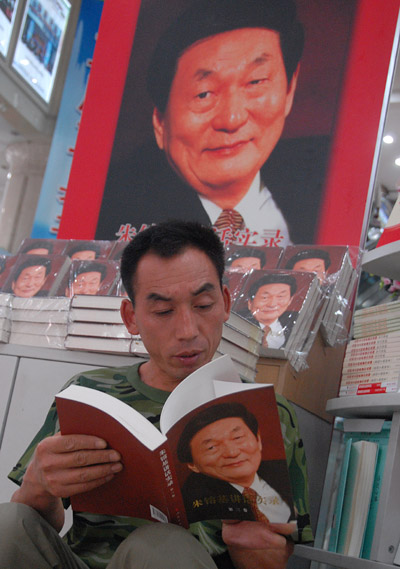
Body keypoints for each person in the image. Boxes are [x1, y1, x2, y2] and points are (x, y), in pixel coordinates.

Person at [1, 221, 312, 569]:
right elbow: (30, 525)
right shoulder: (89, 393)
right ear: (131, 317)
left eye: (204, 305)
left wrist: (250, 547)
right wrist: (39, 484)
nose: (187, 330)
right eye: (163, 311)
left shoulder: (267, 413)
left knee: (160, 546)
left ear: (225, 302)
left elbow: (275, 556)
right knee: (7, 523)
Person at [96, 0, 330, 245]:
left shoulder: (325, 175)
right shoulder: (110, 211)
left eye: (256, 82)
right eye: (204, 94)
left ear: (289, 89)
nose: (232, 119)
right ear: (160, 122)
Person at [177, 402, 293, 523]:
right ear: (192, 465)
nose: (232, 452)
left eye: (238, 437)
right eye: (211, 447)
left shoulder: (282, 470)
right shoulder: (193, 497)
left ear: (258, 439)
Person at [241, 273, 297, 348]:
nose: (272, 304)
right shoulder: (238, 322)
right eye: (265, 297)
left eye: (280, 296)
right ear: (250, 302)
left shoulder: (296, 322)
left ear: (290, 300)